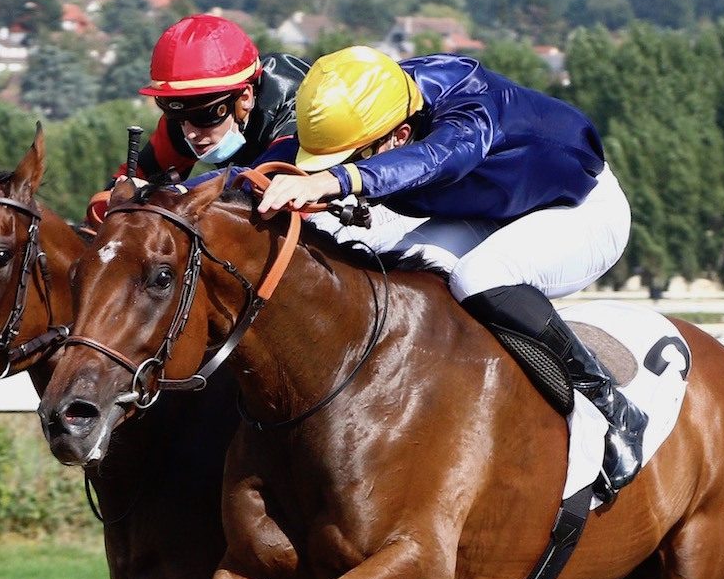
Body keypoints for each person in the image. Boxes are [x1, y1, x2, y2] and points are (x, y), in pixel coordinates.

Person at [256, 46, 648, 499]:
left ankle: (608, 402)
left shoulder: (471, 110)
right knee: (391, 272)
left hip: (578, 209)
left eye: (348, 159)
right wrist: (178, 195)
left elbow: (437, 159)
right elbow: (269, 163)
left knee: (480, 276)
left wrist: (337, 181)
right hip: (488, 207)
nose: (335, 168)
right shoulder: (375, 102)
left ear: (399, 134)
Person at [88, 15, 308, 221]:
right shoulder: (187, 117)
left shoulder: (294, 101)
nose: (190, 132)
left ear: (245, 99)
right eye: (178, 115)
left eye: (203, 116)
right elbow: (133, 180)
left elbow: (260, 180)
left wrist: (173, 194)